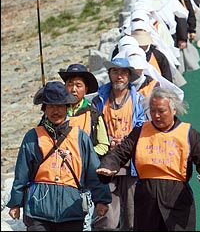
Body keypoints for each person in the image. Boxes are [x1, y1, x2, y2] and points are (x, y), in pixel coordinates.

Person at [96, 87, 200, 231]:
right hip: (146, 198)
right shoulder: (140, 131)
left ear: (174, 110)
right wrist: (108, 166)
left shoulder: (188, 133)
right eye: (153, 111)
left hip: (177, 199)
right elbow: (119, 153)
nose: (156, 115)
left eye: (161, 111)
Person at [7, 81, 112, 231]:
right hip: (38, 211)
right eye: (51, 106)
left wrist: (102, 199)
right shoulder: (33, 136)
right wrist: (16, 203)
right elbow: (21, 173)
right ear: (44, 109)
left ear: (67, 108)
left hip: (72, 210)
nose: (55, 111)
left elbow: (93, 171)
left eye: (60, 106)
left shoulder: (80, 137)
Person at [92, 57, 145, 231]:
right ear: (109, 74)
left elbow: (143, 128)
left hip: (130, 162)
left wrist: (124, 144)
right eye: (115, 72)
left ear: (129, 76)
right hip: (105, 160)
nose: (119, 76)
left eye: (123, 72)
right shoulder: (98, 100)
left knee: (132, 216)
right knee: (105, 216)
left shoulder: (139, 101)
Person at [58, 63, 110, 231]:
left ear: (86, 89)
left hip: (84, 179)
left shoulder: (94, 115)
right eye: (70, 84)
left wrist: (85, 155)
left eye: (78, 85)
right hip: (58, 178)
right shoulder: (55, 113)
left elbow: (103, 144)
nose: (73, 89)